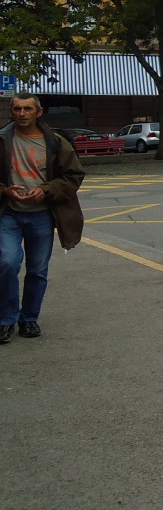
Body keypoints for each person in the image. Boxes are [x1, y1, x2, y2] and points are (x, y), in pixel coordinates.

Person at [0, 92, 85, 344]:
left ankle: (29, 319)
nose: (22, 114)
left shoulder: (55, 142)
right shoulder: (2, 140)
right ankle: (5, 320)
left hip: (42, 216)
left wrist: (46, 190)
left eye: (27, 109)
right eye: (17, 109)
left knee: (37, 270)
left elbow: (73, 176)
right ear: (11, 111)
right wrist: (5, 190)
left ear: (39, 112)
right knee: (7, 263)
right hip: (9, 214)